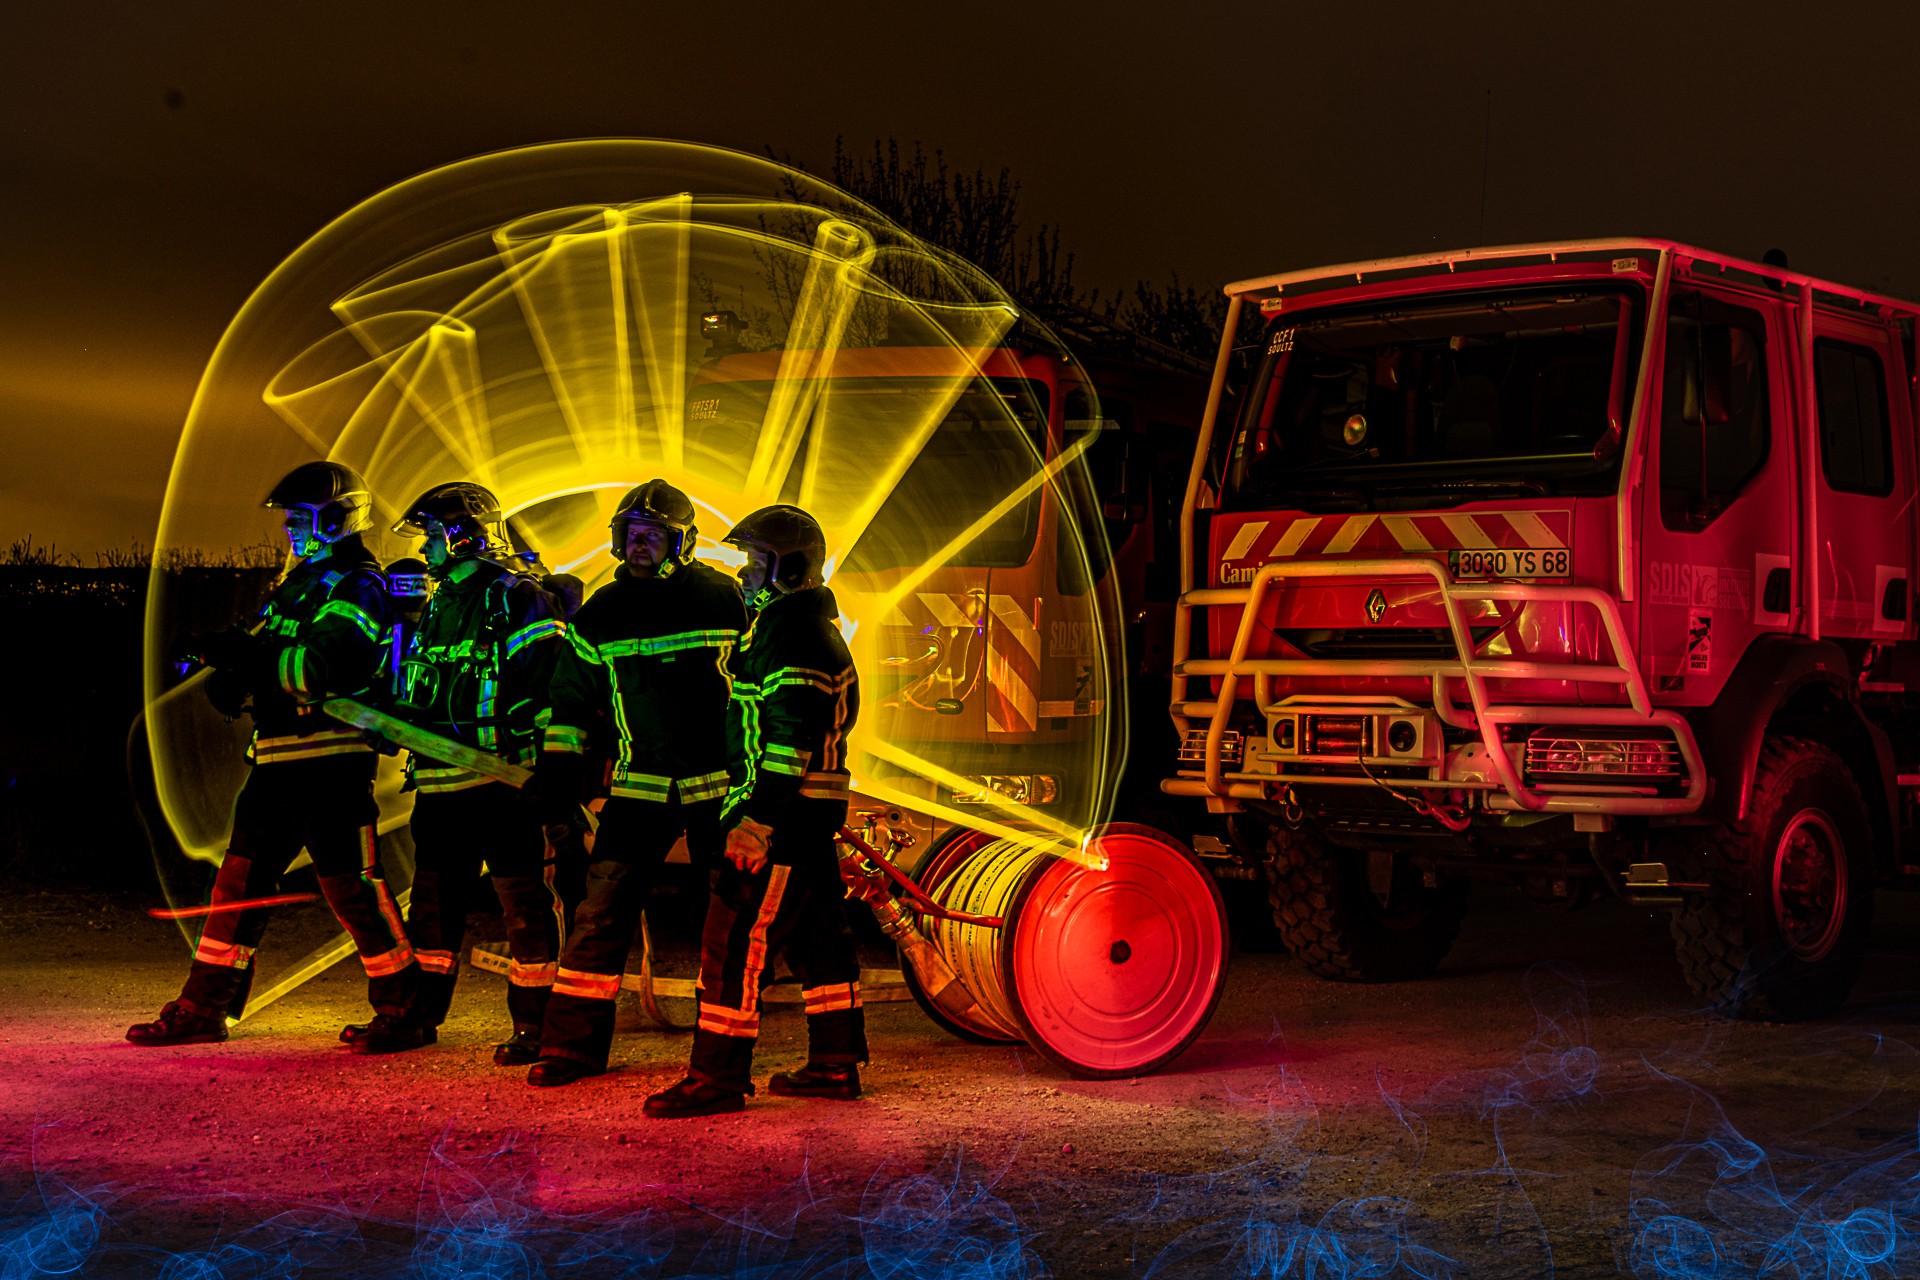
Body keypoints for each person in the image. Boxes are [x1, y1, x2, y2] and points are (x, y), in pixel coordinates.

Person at [129, 461, 418, 1046]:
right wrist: (228, 670)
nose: (288, 527)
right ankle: (204, 1008)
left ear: (336, 518)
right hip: (276, 760)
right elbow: (265, 652)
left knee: (353, 888)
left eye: (298, 517)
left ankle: (404, 1011)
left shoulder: (357, 584)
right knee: (237, 887)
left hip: (332, 762)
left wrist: (243, 662)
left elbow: (319, 665)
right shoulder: (300, 584)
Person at [643, 503, 863, 1118]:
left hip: (785, 817)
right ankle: (835, 1064)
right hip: (805, 814)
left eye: (754, 561)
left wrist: (757, 822)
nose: (743, 572)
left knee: (734, 939)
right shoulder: (790, 628)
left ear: (786, 568)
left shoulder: (795, 636)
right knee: (819, 940)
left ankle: (716, 1077)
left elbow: (789, 743)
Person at [525, 480, 747, 1086]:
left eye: (652, 534)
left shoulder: (724, 599)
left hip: (719, 789)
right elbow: (569, 702)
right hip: (639, 787)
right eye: (631, 533)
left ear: (682, 541)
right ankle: (569, 1049)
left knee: (728, 921)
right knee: (599, 914)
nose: (639, 544)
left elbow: (756, 688)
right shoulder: (602, 612)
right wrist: (559, 771)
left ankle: (720, 1058)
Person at [346, 482, 576, 1057]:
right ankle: (417, 1018)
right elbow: (423, 687)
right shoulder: (437, 604)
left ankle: (537, 1026)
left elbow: (547, 687)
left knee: (523, 907)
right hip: (438, 786)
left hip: (504, 785)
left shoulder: (517, 599)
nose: (424, 549)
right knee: (432, 910)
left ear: (462, 536)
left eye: (430, 535)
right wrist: (390, 721)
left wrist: (550, 770)